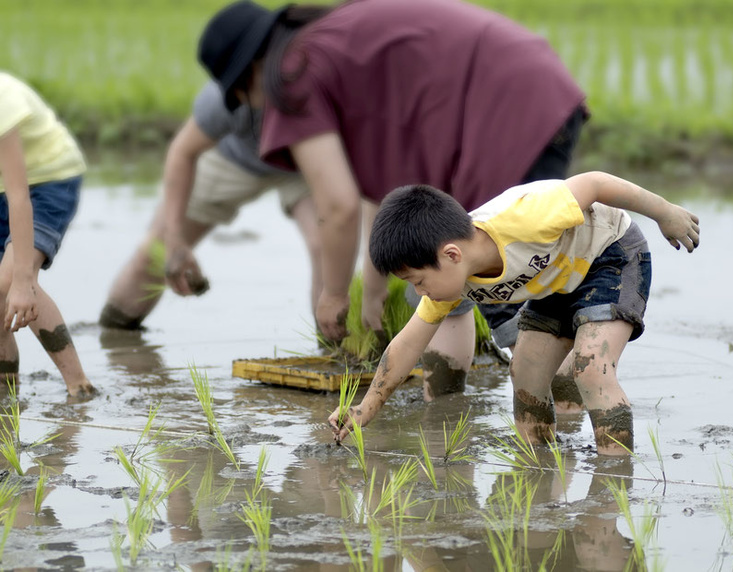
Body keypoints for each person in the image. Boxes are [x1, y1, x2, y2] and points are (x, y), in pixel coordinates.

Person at [217, 0, 589, 399]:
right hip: (534, 85)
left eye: (243, 94)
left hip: (507, 108)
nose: (257, 107)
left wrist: (335, 294)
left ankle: (557, 409)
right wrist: (375, 290)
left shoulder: (294, 71)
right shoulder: (335, 41)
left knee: (494, 268)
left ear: (252, 69)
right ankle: (447, 416)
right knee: (447, 277)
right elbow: (390, 192)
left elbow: (338, 206)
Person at [328, 172, 700, 455]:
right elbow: (406, 346)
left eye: (418, 281)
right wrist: (365, 407)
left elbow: (596, 182)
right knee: (525, 371)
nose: (418, 291)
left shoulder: (526, 217)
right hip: (554, 279)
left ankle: (615, 472)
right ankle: (537, 462)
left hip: (609, 254)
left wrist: (665, 212)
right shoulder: (450, 276)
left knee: (591, 367)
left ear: (452, 255)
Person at [99, 2, 322, 330]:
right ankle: (116, 336)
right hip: (236, 159)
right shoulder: (220, 99)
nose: (239, 96)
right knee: (155, 251)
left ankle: (337, 357)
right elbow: (182, 152)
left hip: (307, 167)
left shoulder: (321, 71)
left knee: (327, 250)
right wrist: (174, 237)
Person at [0, 71, 94, 396]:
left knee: (8, 280)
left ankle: (79, 387)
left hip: (47, 181)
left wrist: (23, 280)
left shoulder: (2, 99)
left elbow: (18, 195)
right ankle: (5, 395)